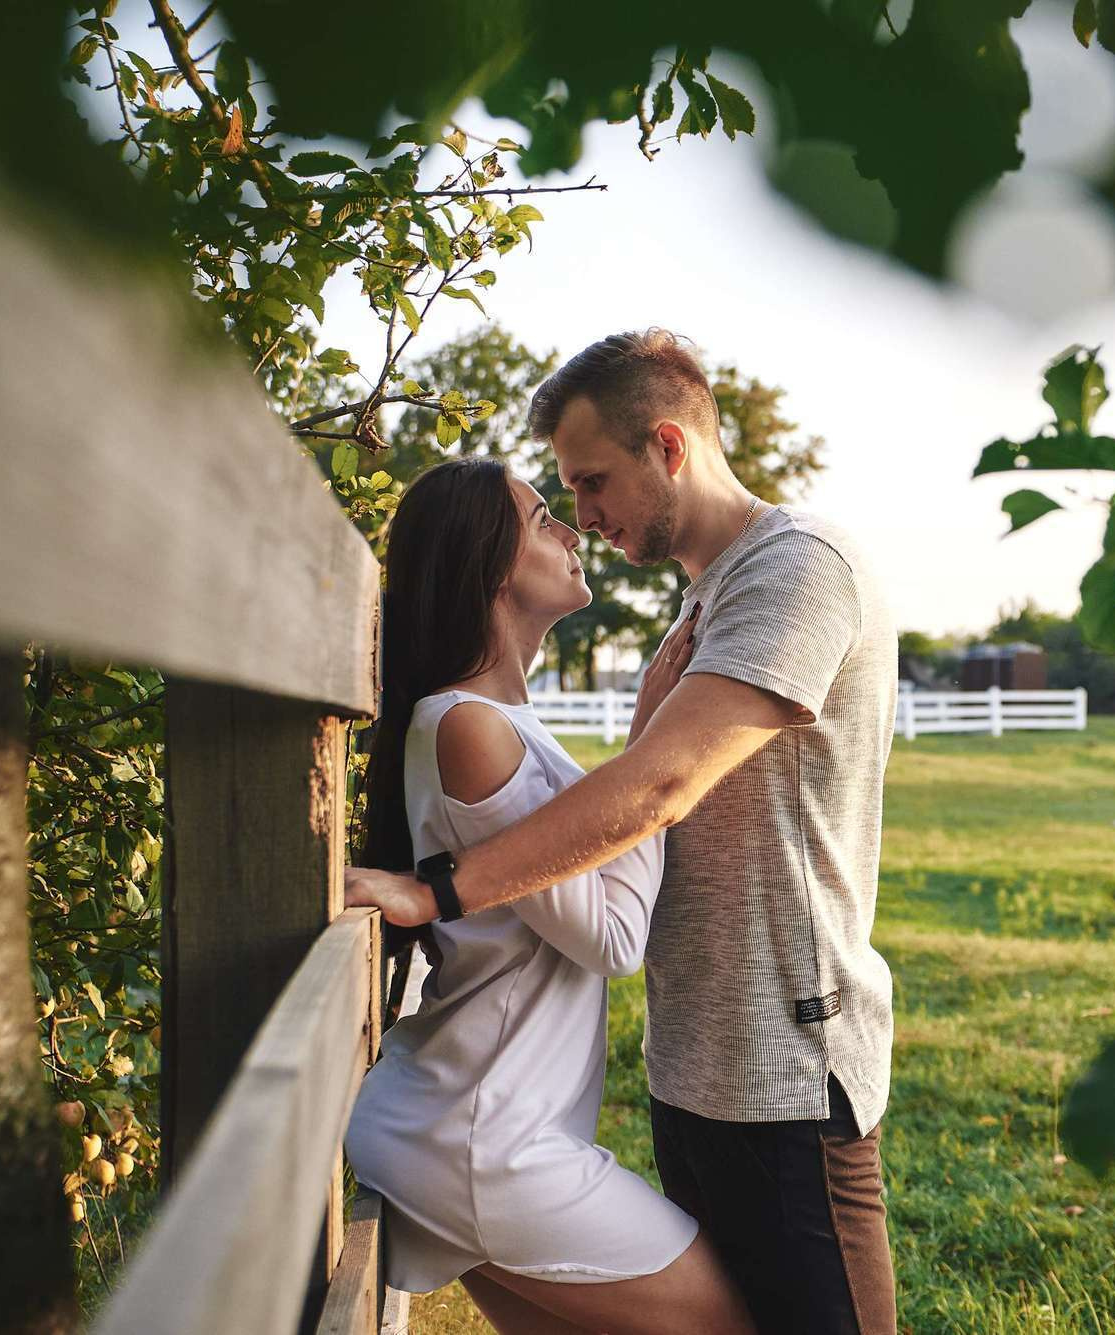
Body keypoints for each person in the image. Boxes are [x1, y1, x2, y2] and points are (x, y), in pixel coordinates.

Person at [347, 329, 900, 1334]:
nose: (584, 517)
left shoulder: (796, 567)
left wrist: (441, 887)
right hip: (695, 1071)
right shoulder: (696, 613)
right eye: (560, 498)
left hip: (787, 1062)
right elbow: (637, 812)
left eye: (591, 482)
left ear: (669, 448)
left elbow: (661, 786)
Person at [341, 456, 754, 1335]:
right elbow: (611, 936)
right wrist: (651, 763)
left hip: (478, 1126)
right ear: (490, 567)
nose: (571, 529)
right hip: (488, 1144)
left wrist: (637, 770)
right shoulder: (468, 728)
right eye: (540, 519)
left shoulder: (493, 721)